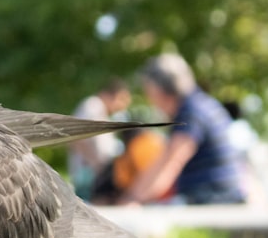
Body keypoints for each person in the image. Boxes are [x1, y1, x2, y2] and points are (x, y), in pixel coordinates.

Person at [118, 53, 245, 205]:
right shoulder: (203, 104)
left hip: (213, 200)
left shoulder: (191, 112)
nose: (151, 102)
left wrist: (132, 199)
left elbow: (169, 163)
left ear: (159, 91)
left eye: (149, 94)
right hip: (220, 197)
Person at [67, 78, 131, 200]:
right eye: (121, 100)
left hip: (94, 173)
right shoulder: (93, 105)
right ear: (111, 95)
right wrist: (96, 163)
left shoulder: (100, 111)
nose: (121, 106)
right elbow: (77, 138)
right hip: (88, 173)